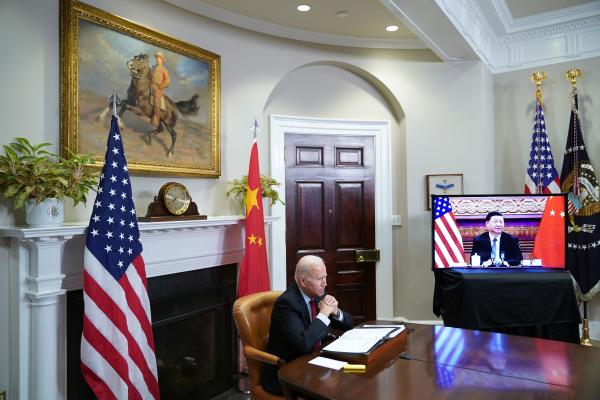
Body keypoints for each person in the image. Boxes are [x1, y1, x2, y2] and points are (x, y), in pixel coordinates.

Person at [261, 255, 353, 395]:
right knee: (337, 389)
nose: (325, 283)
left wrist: (335, 312)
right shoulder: (286, 304)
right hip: (287, 372)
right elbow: (303, 345)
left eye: (325, 277)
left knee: (351, 380)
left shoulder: (318, 293)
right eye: (319, 278)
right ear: (303, 281)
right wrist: (323, 315)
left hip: (315, 362)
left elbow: (349, 325)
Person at [151, 51, 170, 126]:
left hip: (158, 88)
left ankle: (156, 117)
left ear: (162, 60)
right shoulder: (153, 67)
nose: (157, 59)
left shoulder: (164, 69)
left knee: (156, 100)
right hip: (150, 84)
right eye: (156, 58)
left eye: (158, 58)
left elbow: (167, 80)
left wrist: (161, 86)